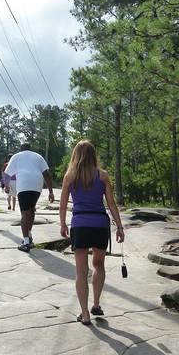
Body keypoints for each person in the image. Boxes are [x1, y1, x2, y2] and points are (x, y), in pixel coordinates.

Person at [59, 139, 124, 326]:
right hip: (99, 224)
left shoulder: (69, 177)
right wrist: (119, 227)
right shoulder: (102, 175)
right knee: (99, 265)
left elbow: (63, 205)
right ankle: (96, 304)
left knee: (81, 271)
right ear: (93, 155)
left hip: (79, 224)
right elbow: (111, 203)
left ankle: (85, 314)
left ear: (75, 155)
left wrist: (63, 224)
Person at [4, 143, 55, 252]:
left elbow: (7, 174)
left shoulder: (16, 156)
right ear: (30, 149)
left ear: (21, 149)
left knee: (24, 212)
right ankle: (29, 234)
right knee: (31, 209)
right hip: (37, 185)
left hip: (24, 184)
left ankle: (26, 242)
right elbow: (46, 174)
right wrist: (51, 191)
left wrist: (6, 186)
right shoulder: (38, 156)